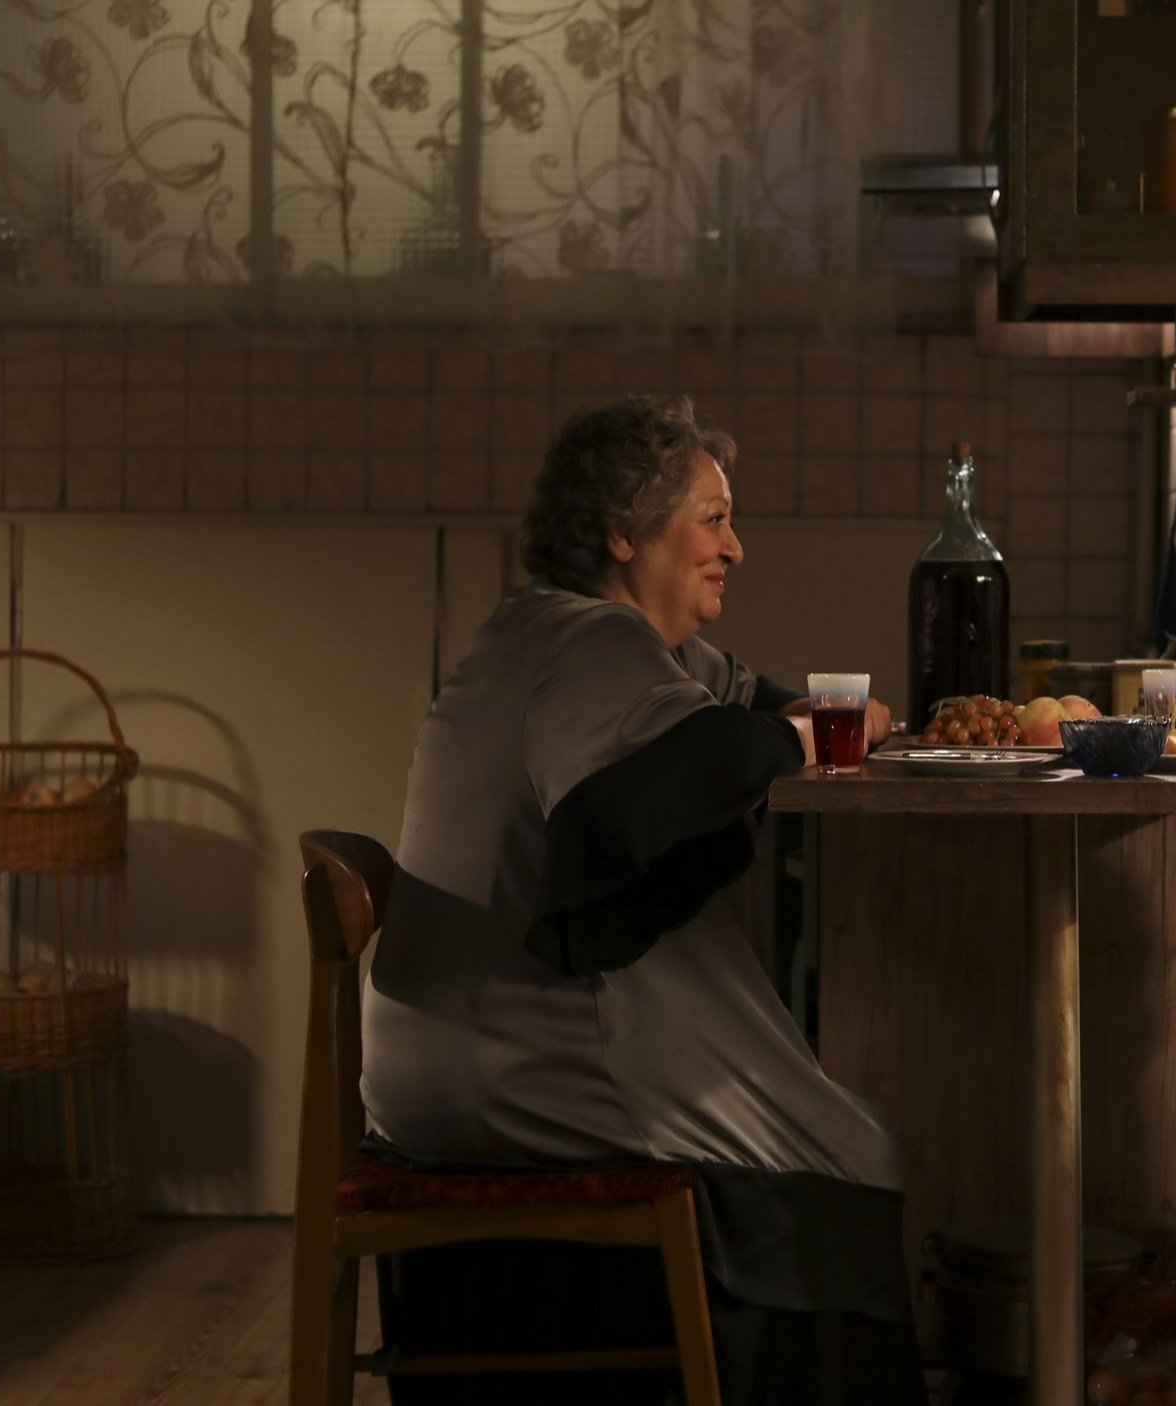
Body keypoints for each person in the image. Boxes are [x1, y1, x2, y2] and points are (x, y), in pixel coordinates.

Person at [361, 395, 921, 1405]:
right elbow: (670, 776)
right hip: (518, 1060)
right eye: (713, 519)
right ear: (625, 531)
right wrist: (812, 734)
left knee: (833, 1125)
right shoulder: (592, 646)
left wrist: (818, 716)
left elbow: (744, 703)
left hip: (449, 1051)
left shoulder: (556, 627)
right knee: (852, 1148)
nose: (735, 547)